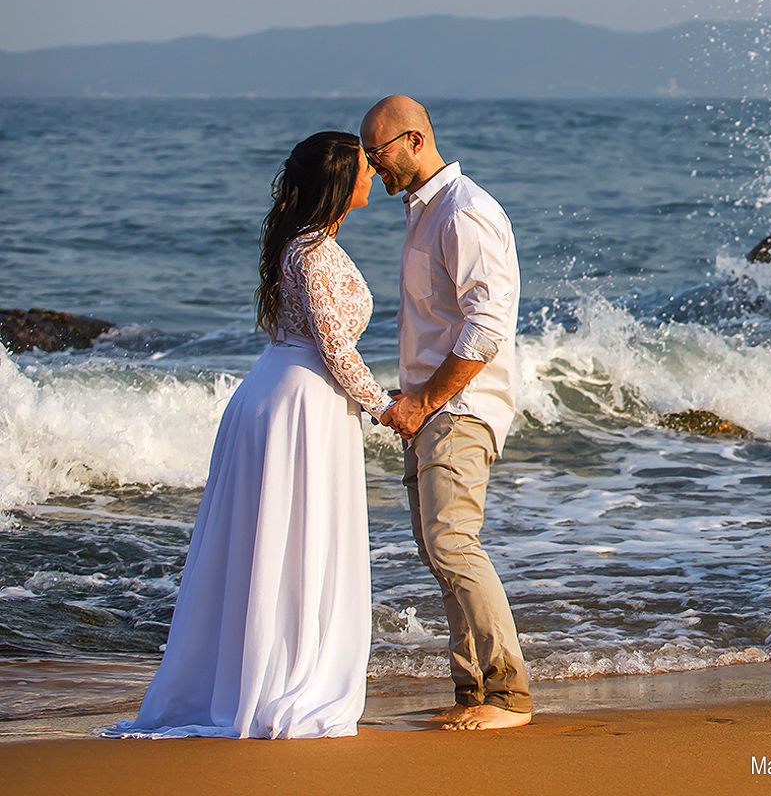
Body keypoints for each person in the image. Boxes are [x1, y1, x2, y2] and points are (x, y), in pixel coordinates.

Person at [104, 132, 396, 739]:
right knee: (289, 541)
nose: (374, 174)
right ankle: (278, 680)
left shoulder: (306, 244)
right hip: (297, 406)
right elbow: (334, 346)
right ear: (342, 182)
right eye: (365, 167)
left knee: (281, 542)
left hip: (287, 396)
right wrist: (387, 409)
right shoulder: (313, 255)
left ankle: (264, 670)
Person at [360, 95, 531, 732]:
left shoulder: (463, 212)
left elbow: (489, 324)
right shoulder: (425, 212)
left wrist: (427, 399)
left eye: (377, 154)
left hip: (459, 407)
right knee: (439, 549)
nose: (374, 168)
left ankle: (509, 695)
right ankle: (473, 691)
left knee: (453, 543)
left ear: (412, 140)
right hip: (433, 409)